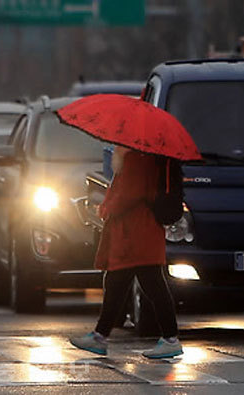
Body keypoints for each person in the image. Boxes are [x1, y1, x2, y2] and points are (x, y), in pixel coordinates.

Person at [70, 146, 183, 358]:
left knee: (144, 283)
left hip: (136, 232)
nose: (112, 148)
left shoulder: (136, 158)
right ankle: (101, 335)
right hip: (139, 231)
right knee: (124, 282)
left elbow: (130, 193)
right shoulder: (141, 156)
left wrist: (105, 208)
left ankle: (169, 338)